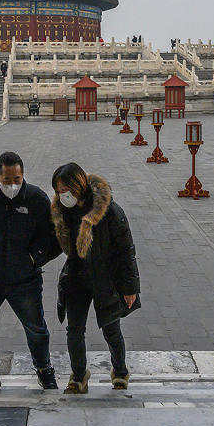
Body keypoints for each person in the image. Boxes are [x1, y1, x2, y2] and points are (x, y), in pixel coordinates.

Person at [0, 152, 61, 393]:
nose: (12, 185)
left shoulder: (36, 199)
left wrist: (35, 257)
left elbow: (55, 235)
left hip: (25, 279)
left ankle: (44, 369)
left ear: (23, 174)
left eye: (17, 179)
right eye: (7, 180)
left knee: (36, 329)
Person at [51, 163, 139, 394]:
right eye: (58, 191)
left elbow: (126, 249)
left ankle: (120, 371)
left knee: (111, 330)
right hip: (77, 277)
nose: (62, 195)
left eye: (65, 190)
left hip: (105, 279)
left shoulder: (109, 211)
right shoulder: (62, 210)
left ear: (78, 186)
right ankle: (79, 375)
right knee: (74, 330)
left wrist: (130, 288)